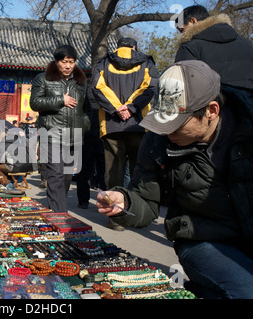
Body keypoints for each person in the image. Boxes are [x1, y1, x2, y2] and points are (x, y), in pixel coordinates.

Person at [96, 60, 253, 299]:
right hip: (201, 239)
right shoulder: (157, 140)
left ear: (211, 111)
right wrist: (125, 203)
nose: (169, 132)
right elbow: (145, 201)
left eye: (178, 125)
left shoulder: (246, 130)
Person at [90, 37, 159, 230]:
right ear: (134, 47)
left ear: (118, 47)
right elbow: (150, 87)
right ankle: (139, 217)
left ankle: (116, 219)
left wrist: (117, 109)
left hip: (111, 126)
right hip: (138, 124)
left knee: (114, 174)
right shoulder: (146, 62)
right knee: (139, 172)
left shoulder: (103, 63)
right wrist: (131, 107)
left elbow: (97, 87)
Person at [30, 44, 90, 212]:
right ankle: (61, 216)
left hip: (74, 137)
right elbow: (35, 102)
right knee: (55, 176)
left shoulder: (81, 82)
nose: (68, 66)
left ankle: (55, 209)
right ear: (56, 61)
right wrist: (60, 100)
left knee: (66, 178)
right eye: (64, 61)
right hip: (52, 134)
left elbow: (87, 108)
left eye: (71, 62)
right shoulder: (43, 79)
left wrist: (84, 124)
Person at [174, 5, 253, 91]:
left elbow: (182, 87)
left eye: (182, 30)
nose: (181, 34)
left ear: (193, 21)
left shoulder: (189, 48)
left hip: (213, 102)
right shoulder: (246, 43)